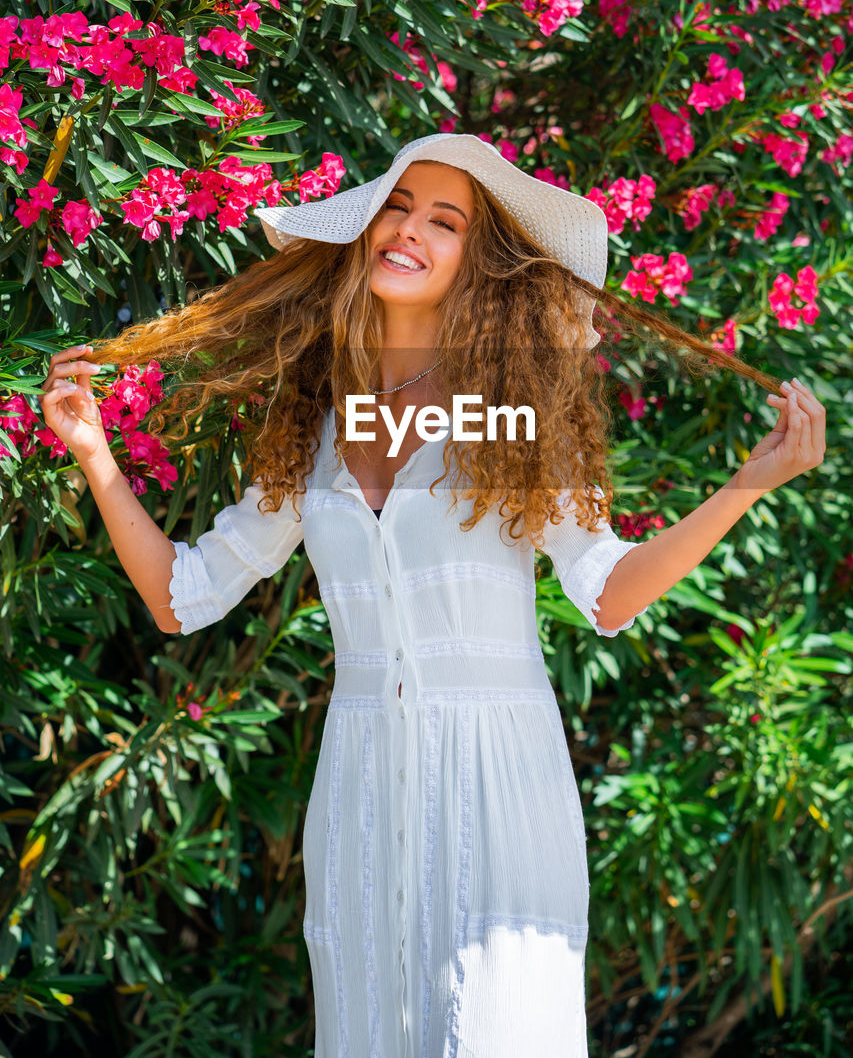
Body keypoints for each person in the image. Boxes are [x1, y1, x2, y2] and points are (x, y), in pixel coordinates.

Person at [40, 133, 825, 1057]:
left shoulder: (510, 417)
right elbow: (184, 596)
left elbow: (607, 591)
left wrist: (743, 489)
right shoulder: (324, 425)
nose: (407, 229)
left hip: (500, 786)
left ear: (479, 267)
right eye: (397, 207)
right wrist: (95, 457)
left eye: (442, 221)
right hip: (362, 789)